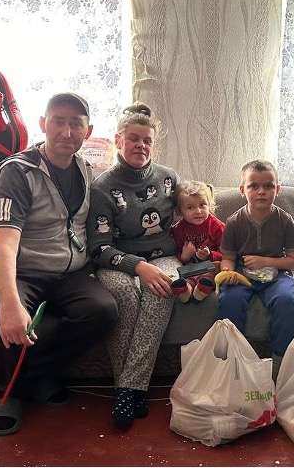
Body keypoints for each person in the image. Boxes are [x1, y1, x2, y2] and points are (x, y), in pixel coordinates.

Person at [0, 93, 118, 436]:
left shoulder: (86, 170)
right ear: (43, 124)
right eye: (58, 121)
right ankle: (5, 394)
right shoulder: (17, 171)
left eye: (76, 123)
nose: (67, 131)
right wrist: (11, 303)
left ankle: (34, 376)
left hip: (72, 272)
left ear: (88, 130)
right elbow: (4, 243)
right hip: (26, 269)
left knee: (103, 311)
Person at [86, 102, 182, 430]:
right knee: (124, 295)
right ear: (119, 140)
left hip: (165, 256)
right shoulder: (101, 187)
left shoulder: (170, 179)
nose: (141, 145)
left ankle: (127, 390)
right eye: (133, 138)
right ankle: (131, 388)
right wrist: (139, 267)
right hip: (117, 260)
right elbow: (98, 248)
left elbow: (198, 213)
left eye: (147, 140)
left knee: (163, 289)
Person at [218, 160, 294, 377]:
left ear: (278, 189)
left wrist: (266, 261)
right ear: (242, 191)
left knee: (285, 301)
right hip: (242, 272)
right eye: (253, 186)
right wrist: (228, 272)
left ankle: (279, 364)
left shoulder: (284, 220)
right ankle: (233, 361)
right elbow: (227, 258)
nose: (261, 192)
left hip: (277, 273)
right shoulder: (234, 222)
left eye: (268, 186)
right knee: (229, 300)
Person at [170, 180, 225, 301]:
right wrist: (184, 257)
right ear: (179, 211)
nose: (198, 211)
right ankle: (186, 289)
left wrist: (210, 255)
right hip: (190, 266)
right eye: (190, 207)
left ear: (209, 205)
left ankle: (202, 288)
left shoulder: (216, 226)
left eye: (202, 205)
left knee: (214, 268)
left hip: (211, 265)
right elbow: (173, 253)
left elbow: (228, 253)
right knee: (187, 272)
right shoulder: (178, 229)